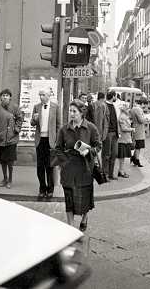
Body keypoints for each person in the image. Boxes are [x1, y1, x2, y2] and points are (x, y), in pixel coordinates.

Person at [54, 99, 101, 231]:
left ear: (81, 113)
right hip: (68, 169)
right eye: (70, 111)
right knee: (69, 199)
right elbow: (57, 148)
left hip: (85, 168)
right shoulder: (64, 129)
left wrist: (88, 151)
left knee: (84, 199)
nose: (72, 114)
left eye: (74, 111)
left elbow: (98, 146)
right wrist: (65, 162)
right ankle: (70, 227)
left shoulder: (91, 128)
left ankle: (85, 217)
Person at [0, 88, 23, 189]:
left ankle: (10, 180)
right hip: (0, 138)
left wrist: (16, 129)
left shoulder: (15, 107)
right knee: (2, 161)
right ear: (0, 97)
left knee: (10, 161)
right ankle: (4, 178)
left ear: (10, 97)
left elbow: (20, 119)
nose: (5, 97)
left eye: (7, 95)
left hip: (11, 138)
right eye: (3, 95)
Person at [31, 89, 60, 200]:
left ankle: (50, 189)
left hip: (50, 141)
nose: (41, 97)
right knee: (40, 167)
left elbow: (59, 125)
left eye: (43, 95)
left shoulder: (55, 107)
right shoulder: (36, 107)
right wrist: (34, 119)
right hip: (40, 140)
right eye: (40, 95)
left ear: (48, 96)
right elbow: (32, 123)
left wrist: (57, 141)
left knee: (50, 166)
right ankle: (42, 188)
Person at [102, 90, 120, 180]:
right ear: (113, 96)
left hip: (115, 133)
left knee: (114, 154)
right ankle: (105, 174)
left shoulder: (115, 106)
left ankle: (111, 174)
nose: (116, 98)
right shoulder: (104, 106)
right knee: (107, 154)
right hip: (108, 133)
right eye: (116, 96)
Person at [117, 102, 134, 178]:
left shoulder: (124, 116)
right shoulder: (123, 117)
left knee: (122, 157)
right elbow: (124, 128)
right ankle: (121, 171)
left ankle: (121, 170)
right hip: (123, 139)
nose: (129, 110)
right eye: (128, 108)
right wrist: (132, 129)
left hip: (124, 139)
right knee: (122, 157)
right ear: (125, 110)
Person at [130, 97, 148, 167]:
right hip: (139, 130)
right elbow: (141, 120)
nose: (145, 106)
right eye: (145, 105)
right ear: (142, 103)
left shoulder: (133, 108)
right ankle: (136, 160)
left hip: (136, 128)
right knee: (138, 146)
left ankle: (134, 158)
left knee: (137, 145)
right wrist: (146, 118)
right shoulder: (138, 109)